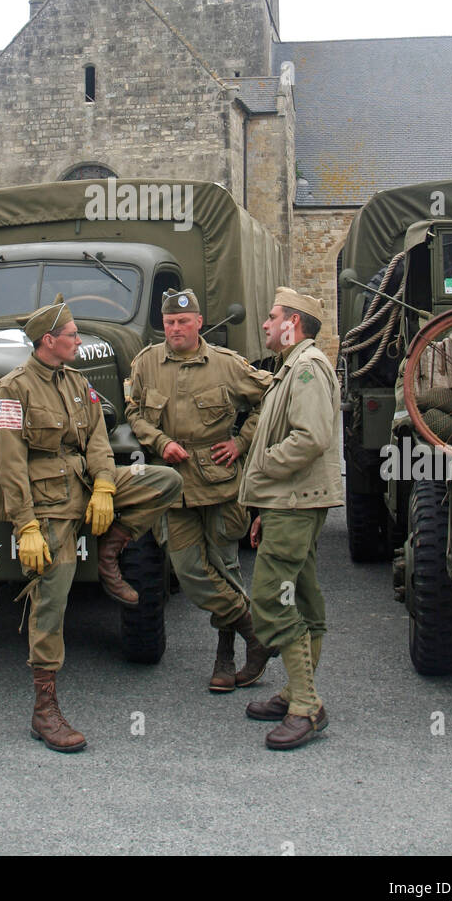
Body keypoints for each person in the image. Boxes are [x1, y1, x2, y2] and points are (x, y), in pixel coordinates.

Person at [0, 295, 182, 753]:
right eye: (72, 335)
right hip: (44, 500)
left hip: (82, 485)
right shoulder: (12, 389)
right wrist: (26, 526)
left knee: (164, 482)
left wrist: (106, 486)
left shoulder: (76, 382)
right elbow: (10, 464)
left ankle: (110, 551)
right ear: (48, 341)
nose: (78, 340)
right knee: (52, 597)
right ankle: (44, 707)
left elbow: (97, 436)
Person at [125, 288, 274, 692]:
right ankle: (256, 632)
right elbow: (135, 411)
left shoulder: (226, 365)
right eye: (170, 322)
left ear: (198, 324)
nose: (175, 329)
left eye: (183, 322)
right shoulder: (147, 364)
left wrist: (241, 442)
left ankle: (226, 655)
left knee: (225, 567)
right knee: (189, 570)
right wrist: (159, 442)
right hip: (173, 484)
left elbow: (271, 397)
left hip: (220, 483)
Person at [239, 287, 343, 750]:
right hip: (288, 502)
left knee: (270, 600)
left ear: (293, 323)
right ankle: (295, 693)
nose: (265, 324)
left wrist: (262, 468)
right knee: (302, 594)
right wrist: (264, 506)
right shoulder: (293, 368)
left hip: (296, 501)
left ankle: (306, 706)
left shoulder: (305, 369)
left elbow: (311, 437)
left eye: (273, 315)